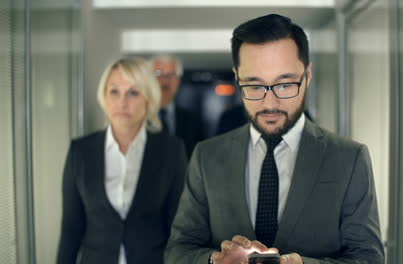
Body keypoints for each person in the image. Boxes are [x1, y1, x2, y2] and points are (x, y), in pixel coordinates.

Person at [165, 14, 384, 264]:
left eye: (285, 84)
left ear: (307, 76)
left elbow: (369, 258)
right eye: (255, 86)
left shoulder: (349, 158)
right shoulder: (206, 155)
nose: (270, 103)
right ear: (237, 79)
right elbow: (177, 251)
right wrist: (215, 260)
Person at [57, 57, 187, 264]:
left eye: (133, 92)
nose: (122, 102)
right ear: (104, 97)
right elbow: (71, 228)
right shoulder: (80, 151)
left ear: (148, 99)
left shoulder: (171, 150)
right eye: (114, 91)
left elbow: (177, 228)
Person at [151, 55, 204, 156]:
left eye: (171, 75)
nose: (164, 81)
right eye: (158, 74)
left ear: (179, 81)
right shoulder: (138, 118)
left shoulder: (193, 121)